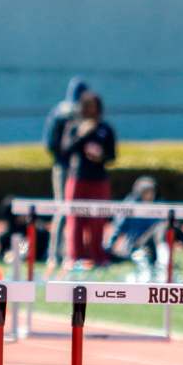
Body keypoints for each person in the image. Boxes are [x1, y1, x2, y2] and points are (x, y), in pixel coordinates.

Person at [105, 176, 183, 270]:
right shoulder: (129, 206)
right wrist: (108, 249)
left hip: (155, 242)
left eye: (152, 192)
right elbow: (118, 229)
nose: (150, 195)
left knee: (170, 225)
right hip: (138, 246)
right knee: (162, 226)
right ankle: (164, 260)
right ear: (139, 192)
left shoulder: (159, 205)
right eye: (146, 192)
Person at [62, 91, 116, 267]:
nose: (90, 110)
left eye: (93, 106)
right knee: (75, 219)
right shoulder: (74, 127)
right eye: (87, 106)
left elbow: (112, 156)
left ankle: (98, 257)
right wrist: (83, 135)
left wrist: (100, 156)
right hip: (78, 178)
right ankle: (75, 257)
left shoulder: (105, 128)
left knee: (97, 220)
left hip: (98, 180)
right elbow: (66, 150)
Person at [42, 77, 88, 271]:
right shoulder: (65, 113)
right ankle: (55, 254)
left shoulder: (62, 111)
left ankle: (70, 254)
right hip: (65, 167)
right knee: (63, 209)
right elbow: (51, 143)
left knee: (74, 210)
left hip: (73, 167)